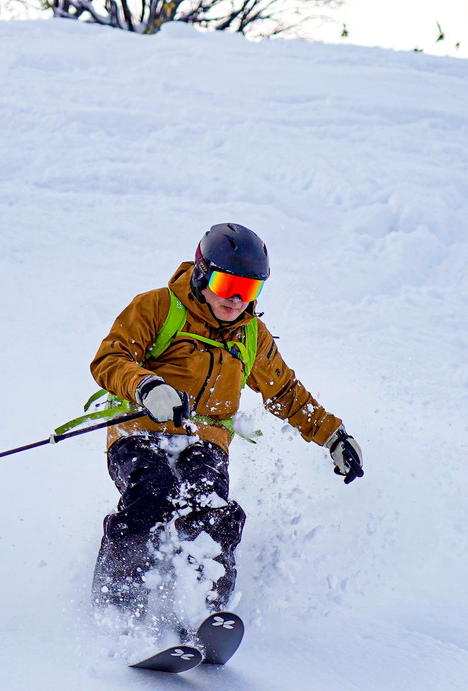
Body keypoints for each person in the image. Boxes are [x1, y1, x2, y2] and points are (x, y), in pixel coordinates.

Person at [88, 223, 363, 619]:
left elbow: (285, 393)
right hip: (140, 431)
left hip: (206, 440)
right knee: (153, 492)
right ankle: (118, 607)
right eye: (227, 284)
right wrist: (148, 387)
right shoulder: (157, 308)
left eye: (248, 290)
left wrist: (334, 436)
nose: (236, 300)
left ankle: (205, 614)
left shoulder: (251, 335)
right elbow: (110, 359)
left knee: (211, 507)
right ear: (202, 274)